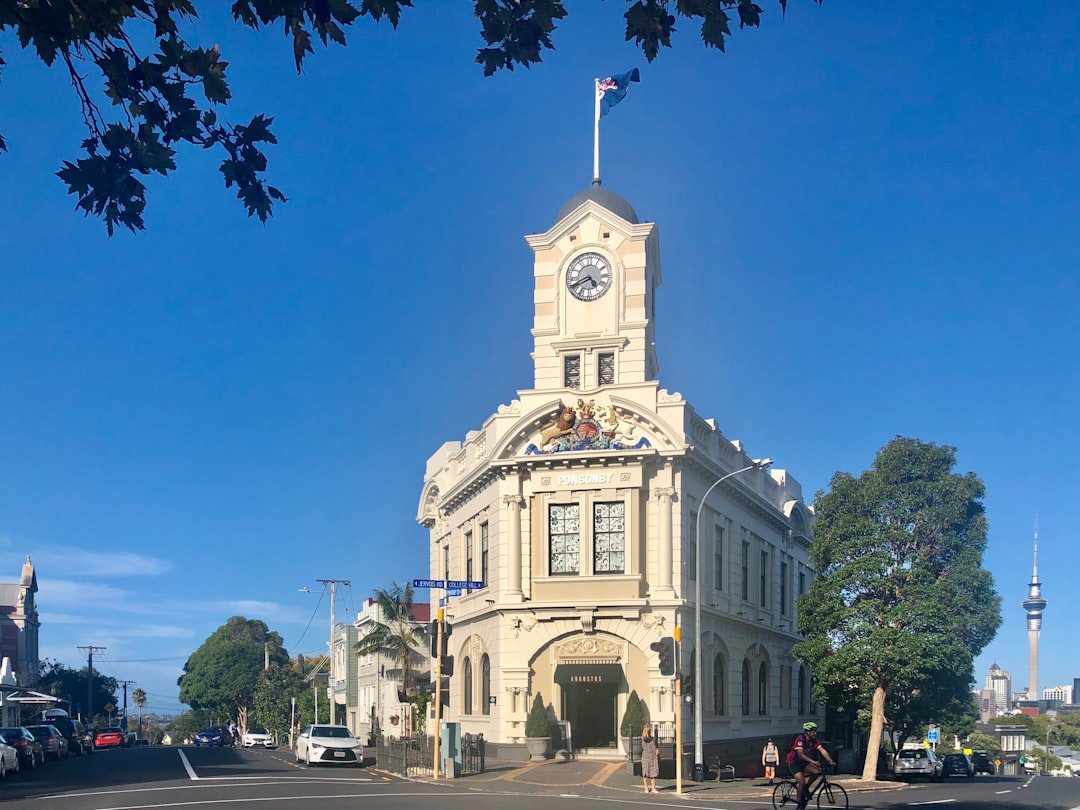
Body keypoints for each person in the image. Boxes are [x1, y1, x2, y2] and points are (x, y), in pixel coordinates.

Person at [790, 722, 834, 810]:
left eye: (815, 731)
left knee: (817, 771)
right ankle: (799, 803)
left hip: (802, 762)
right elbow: (800, 754)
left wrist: (830, 760)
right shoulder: (800, 739)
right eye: (813, 731)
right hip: (793, 761)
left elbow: (822, 750)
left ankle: (806, 787)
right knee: (801, 781)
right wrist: (813, 761)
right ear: (807, 732)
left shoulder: (814, 741)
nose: (815, 733)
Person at [640, 725, 660, 793]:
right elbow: (645, 739)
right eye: (648, 731)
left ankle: (653, 788)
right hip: (646, 756)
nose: (649, 732)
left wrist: (657, 750)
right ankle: (646, 788)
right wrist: (646, 733)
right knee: (646, 772)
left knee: (653, 772)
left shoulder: (652, 738)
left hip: (653, 756)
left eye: (650, 731)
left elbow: (654, 746)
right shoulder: (643, 738)